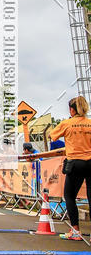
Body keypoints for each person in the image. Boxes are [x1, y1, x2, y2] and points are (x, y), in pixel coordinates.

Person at [49, 96, 91, 240]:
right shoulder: (90, 123)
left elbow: (52, 135)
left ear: (72, 110)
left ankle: (75, 231)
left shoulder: (67, 123)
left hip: (75, 163)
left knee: (70, 196)